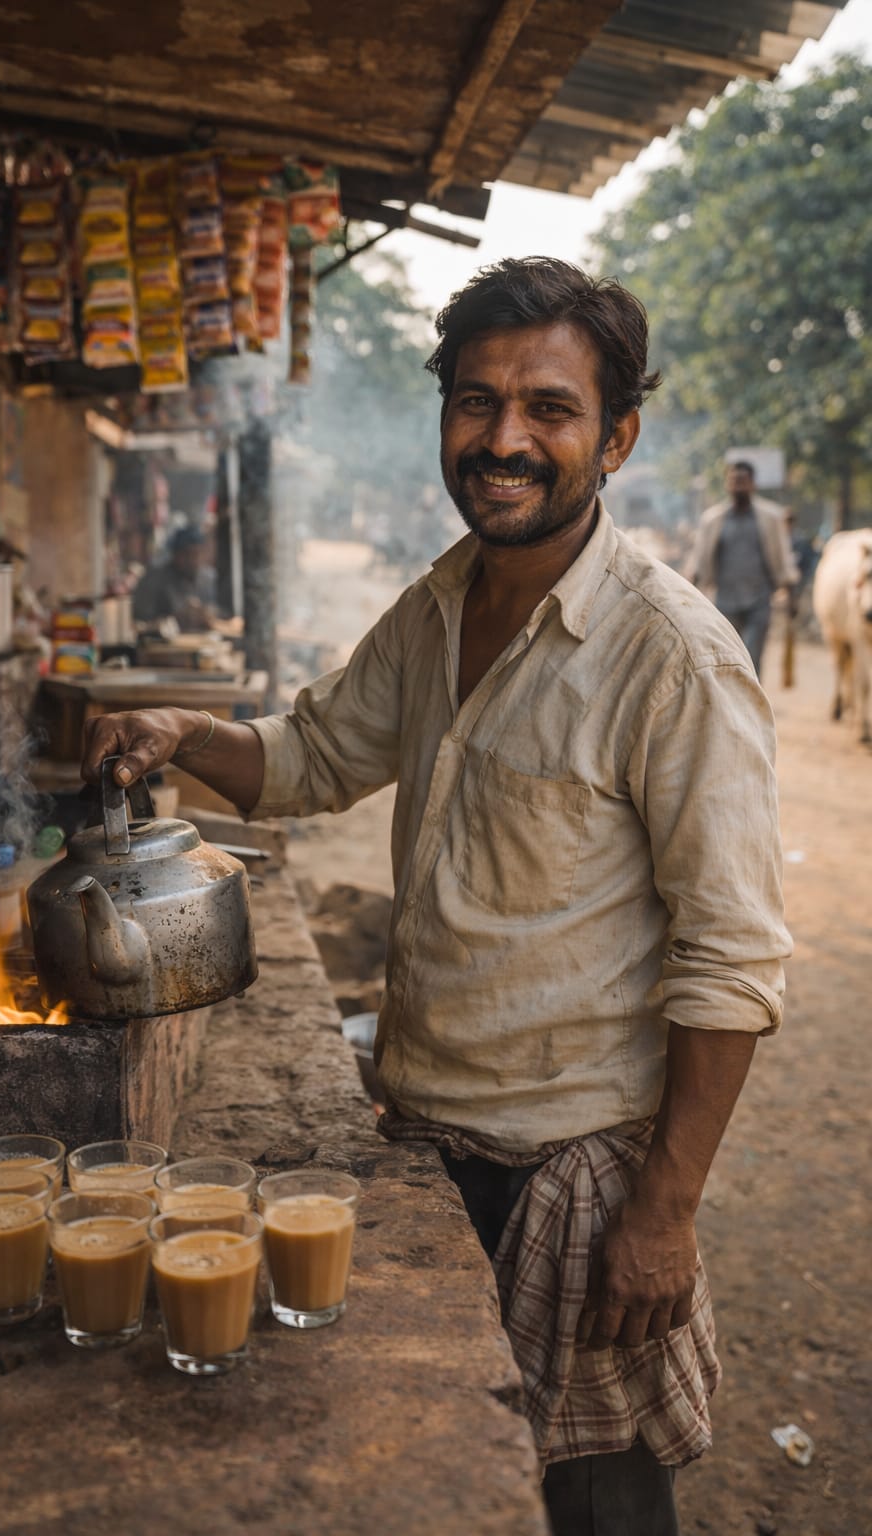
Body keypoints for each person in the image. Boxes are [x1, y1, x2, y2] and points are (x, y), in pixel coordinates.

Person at [82, 258, 791, 1536]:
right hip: (422, 1143)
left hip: (576, 1171)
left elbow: (731, 960)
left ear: (615, 436)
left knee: (593, 1502)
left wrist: (665, 1212)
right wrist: (188, 727)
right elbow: (311, 757)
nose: (503, 439)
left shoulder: (671, 655)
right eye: (475, 403)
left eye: (548, 408)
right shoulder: (436, 602)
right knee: (449, 1483)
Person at [685, 460, 798, 678]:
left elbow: (783, 558)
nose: (738, 486)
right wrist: (688, 599)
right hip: (724, 603)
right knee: (725, 659)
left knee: (752, 659)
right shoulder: (713, 519)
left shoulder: (771, 517)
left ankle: (753, 709)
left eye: (743, 481)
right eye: (734, 481)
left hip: (759, 602)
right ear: (727, 485)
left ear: (753, 484)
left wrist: (791, 595)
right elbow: (698, 562)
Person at [131, 524, 216, 632]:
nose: (193, 560)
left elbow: (219, 613)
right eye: (187, 554)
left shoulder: (207, 579)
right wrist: (174, 619)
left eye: (197, 554)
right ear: (175, 555)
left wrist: (207, 614)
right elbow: (140, 622)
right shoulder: (154, 580)